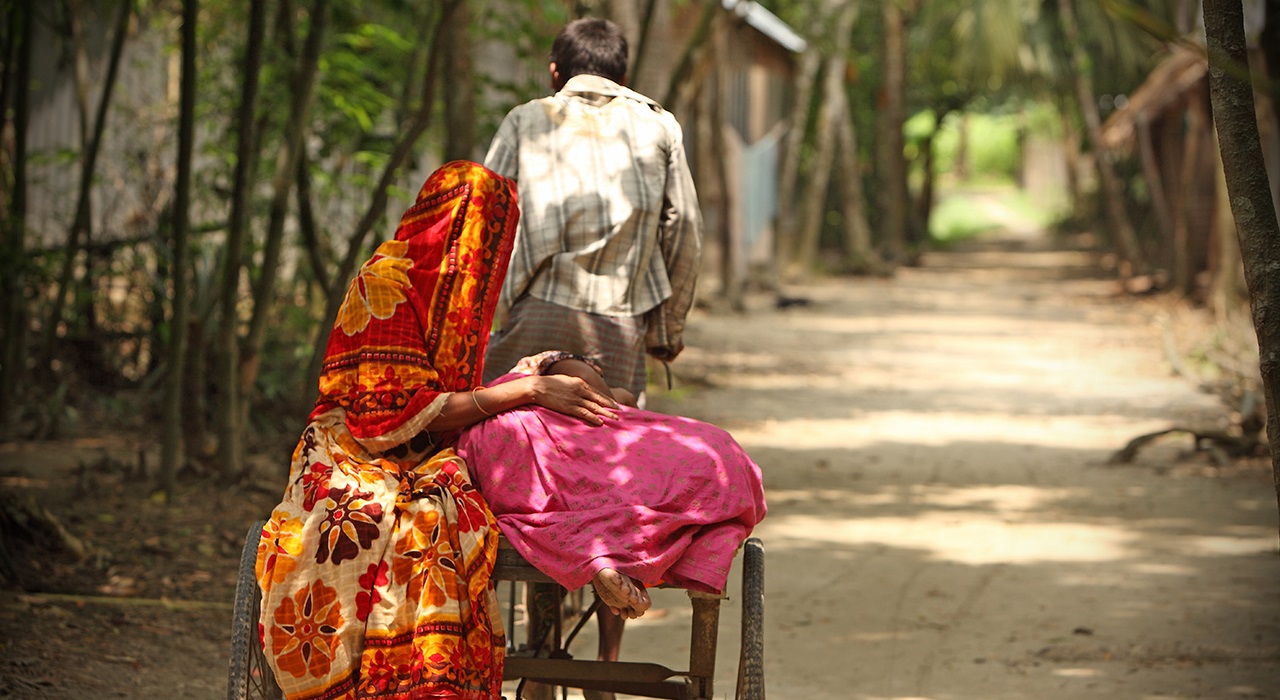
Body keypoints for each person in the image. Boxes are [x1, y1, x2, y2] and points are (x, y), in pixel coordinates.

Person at [255, 162, 629, 700]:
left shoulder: (456, 300)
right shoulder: (381, 288)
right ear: (449, 229)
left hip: (431, 446)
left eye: (496, 244)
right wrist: (526, 391)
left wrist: (531, 380)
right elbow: (389, 418)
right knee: (361, 522)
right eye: (484, 239)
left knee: (454, 511)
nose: (488, 259)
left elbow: (442, 403)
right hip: (352, 443)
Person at [480, 16, 704, 679]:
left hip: (529, 320)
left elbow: (484, 218)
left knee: (521, 470)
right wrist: (667, 330)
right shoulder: (658, 126)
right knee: (612, 474)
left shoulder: (526, 119)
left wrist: (476, 327)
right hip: (618, 325)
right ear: (623, 77)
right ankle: (605, 664)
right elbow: (682, 225)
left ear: (557, 72)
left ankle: (532, 639)